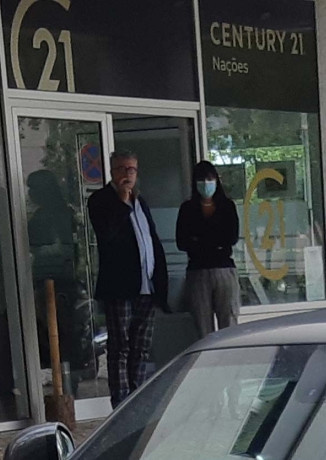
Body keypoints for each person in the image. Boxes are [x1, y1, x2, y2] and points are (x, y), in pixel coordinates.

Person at [86, 149, 167, 402]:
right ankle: (120, 401)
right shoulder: (100, 200)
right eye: (122, 169)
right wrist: (121, 204)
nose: (128, 175)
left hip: (146, 286)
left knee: (141, 347)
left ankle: (137, 396)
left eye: (132, 169)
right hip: (120, 287)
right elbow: (106, 235)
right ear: (112, 171)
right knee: (119, 346)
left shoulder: (140, 201)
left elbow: (151, 241)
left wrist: (160, 282)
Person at [176, 159, 241, 336]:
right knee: (202, 326)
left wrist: (199, 239)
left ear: (216, 181)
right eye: (201, 180)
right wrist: (214, 242)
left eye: (210, 179)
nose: (206, 184)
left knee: (229, 323)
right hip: (198, 271)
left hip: (224, 270)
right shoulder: (187, 209)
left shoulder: (227, 207)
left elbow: (231, 237)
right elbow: (182, 242)